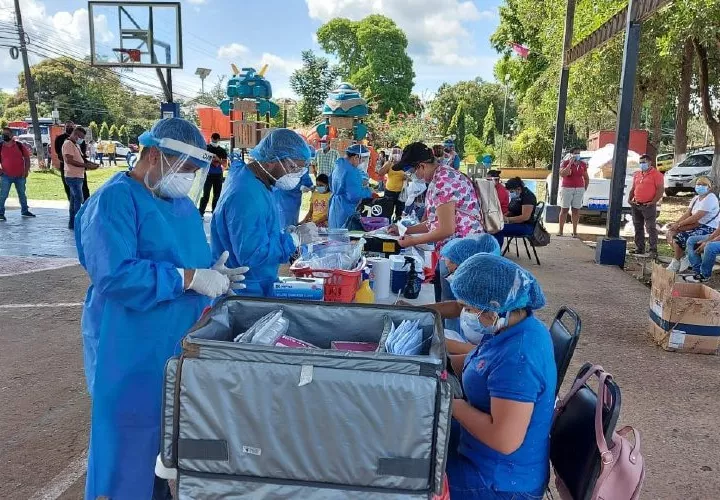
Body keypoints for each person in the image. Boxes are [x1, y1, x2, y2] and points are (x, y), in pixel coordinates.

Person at [76, 117, 248, 500]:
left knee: (166, 441)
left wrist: (211, 275)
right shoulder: (114, 201)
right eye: (184, 168)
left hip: (174, 343)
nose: (188, 178)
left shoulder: (180, 204)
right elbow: (115, 275)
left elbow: (187, 260)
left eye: (194, 171)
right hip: (129, 346)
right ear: (154, 155)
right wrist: (188, 278)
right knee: (129, 446)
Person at [446, 253, 556, 499]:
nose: (465, 314)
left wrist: (452, 404)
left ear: (493, 309)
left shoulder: (519, 357)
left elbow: (504, 439)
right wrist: (435, 364)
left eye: (469, 308)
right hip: (480, 454)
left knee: (402, 478)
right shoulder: (515, 328)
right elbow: (481, 364)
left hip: (500, 484)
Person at [212, 128, 315, 297]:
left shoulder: (258, 182)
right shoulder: (247, 194)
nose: (295, 175)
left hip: (258, 284)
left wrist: (282, 236)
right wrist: (293, 240)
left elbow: (257, 232)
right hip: (245, 291)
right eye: (293, 167)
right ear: (271, 160)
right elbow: (252, 254)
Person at [388, 142, 483, 302]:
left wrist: (413, 241)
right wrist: (405, 231)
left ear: (421, 166)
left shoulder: (443, 182)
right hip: (452, 251)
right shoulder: (442, 176)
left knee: (454, 304)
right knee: (442, 296)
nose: (411, 175)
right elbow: (434, 223)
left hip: (460, 254)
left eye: (411, 171)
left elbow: (446, 229)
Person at [666, 176, 719, 272]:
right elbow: (688, 214)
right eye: (698, 184)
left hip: (709, 228)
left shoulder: (711, 198)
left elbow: (696, 217)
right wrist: (676, 223)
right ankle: (683, 257)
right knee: (670, 232)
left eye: (704, 184)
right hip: (697, 225)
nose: (700, 186)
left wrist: (679, 225)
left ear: (709, 187)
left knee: (680, 237)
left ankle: (676, 261)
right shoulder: (695, 198)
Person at [328, 144, 373, 229]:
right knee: (345, 234)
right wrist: (368, 191)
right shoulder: (352, 172)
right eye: (362, 160)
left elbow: (331, 183)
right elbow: (354, 196)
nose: (362, 163)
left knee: (334, 232)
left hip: (335, 207)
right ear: (355, 157)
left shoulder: (339, 165)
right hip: (346, 209)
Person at [628, 154, 664, 257]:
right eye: (640, 162)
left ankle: (653, 250)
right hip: (636, 204)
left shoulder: (656, 174)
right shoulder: (637, 174)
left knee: (650, 227)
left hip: (648, 205)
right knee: (637, 226)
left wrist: (653, 202)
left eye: (644, 162)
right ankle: (639, 248)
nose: (642, 164)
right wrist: (630, 199)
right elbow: (633, 188)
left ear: (649, 162)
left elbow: (660, 189)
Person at [0, 126, 35, 221]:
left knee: (22, 194)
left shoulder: (19, 145)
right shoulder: (0, 146)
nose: (4, 136)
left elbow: (27, 158)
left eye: (7, 134)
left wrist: (26, 170)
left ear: (12, 135)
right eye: (3, 134)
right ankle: (0, 213)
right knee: (3, 195)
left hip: (20, 175)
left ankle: (25, 211)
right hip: (5, 176)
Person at [494, 177, 538, 246]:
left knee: (498, 229)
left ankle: (496, 250)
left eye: (511, 191)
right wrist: (501, 217)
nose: (510, 193)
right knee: (494, 226)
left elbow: (525, 217)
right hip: (516, 223)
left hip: (526, 226)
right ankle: (494, 248)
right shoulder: (517, 195)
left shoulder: (528, 196)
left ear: (518, 189)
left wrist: (508, 219)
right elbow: (512, 210)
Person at [62, 127, 91, 229]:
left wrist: (89, 164)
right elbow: (69, 160)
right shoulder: (68, 144)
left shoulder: (75, 145)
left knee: (74, 200)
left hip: (78, 176)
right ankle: (77, 222)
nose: (81, 139)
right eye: (81, 137)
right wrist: (85, 165)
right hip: (72, 176)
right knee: (79, 199)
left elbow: (80, 159)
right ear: (75, 135)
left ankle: (73, 223)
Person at [55, 121, 90, 205]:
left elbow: (83, 152)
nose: (69, 128)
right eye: (67, 126)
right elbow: (59, 152)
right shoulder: (60, 139)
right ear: (64, 127)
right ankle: (74, 208)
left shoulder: (80, 139)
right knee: (70, 189)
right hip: (67, 168)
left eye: (71, 126)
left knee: (84, 187)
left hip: (79, 168)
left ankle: (86, 205)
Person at [558, 147, 589, 237]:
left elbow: (586, 177)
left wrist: (584, 188)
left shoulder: (582, 164)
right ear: (571, 154)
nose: (577, 155)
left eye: (578, 153)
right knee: (564, 209)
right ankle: (560, 231)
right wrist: (570, 164)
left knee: (576, 210)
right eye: (575, 153)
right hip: (567, 188)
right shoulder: (565, 162)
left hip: (579, 189)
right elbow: (563, 174)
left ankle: (575, 231)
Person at [198, 132, 228, 216]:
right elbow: (201, 160)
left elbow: (225, 165)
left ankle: (214, 213)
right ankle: (201, 212)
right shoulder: (206, 148)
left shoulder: (222, 150)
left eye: (216, 139)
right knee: (206, 195)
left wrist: (218, 160)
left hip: (218, 175)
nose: (214, 141)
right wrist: (211, 161)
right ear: (211, 138)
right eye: (214, 139)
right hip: (207, 174)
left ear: (218, 140)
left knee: (216, 195)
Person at [378, 146, 406, 221]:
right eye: (394, 152)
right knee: (387, 211)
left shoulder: (403, 164)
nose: (396, 154)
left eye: (398, 152)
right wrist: (388, 164)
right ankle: (386, 225)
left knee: (399, 212)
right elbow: (380, 173)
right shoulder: (389, 163)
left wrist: (406, 177)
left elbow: (410, 176)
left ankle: (397, 225)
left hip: (401, 192)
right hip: (389, 191)